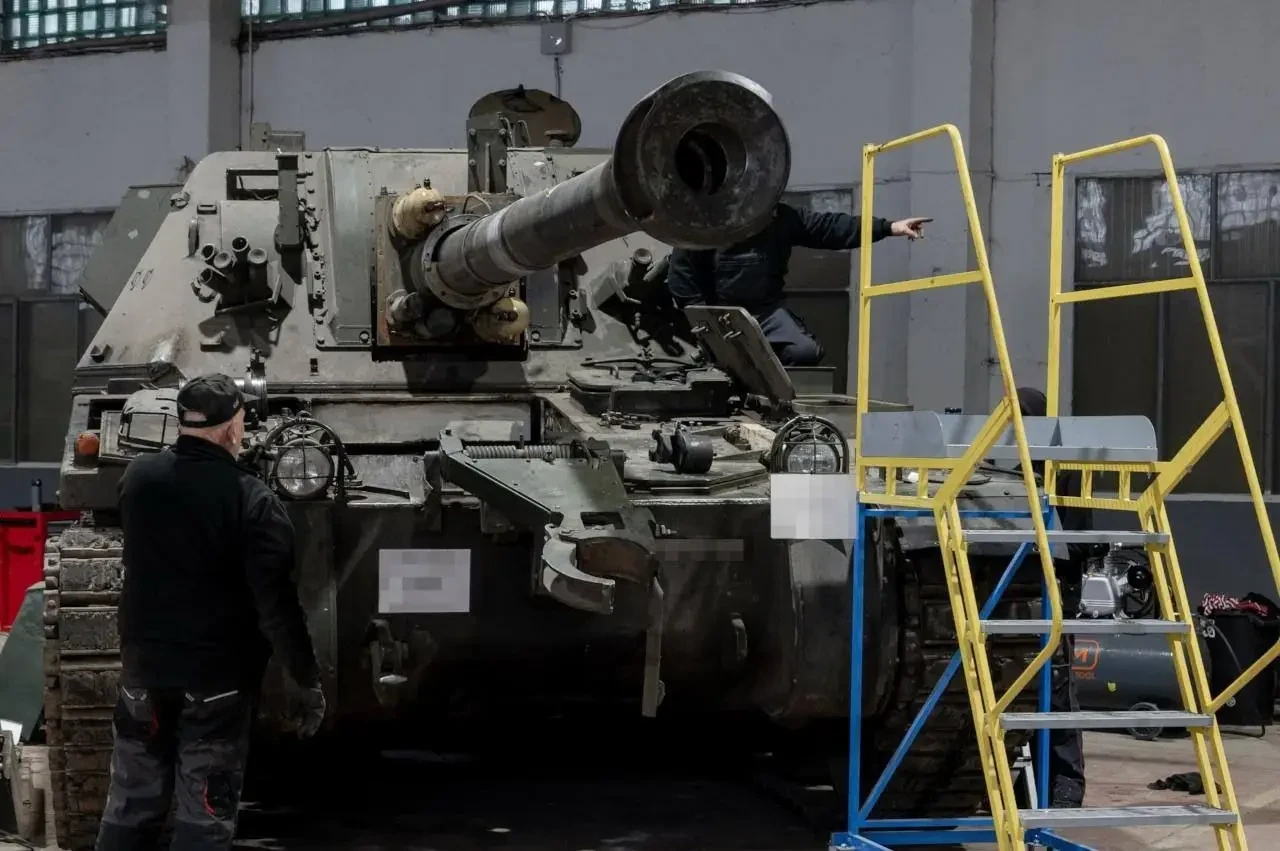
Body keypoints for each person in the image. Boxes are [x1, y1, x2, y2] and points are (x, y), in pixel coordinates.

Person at [96, 374, 326, 851]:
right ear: (233, 427)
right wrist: (305, 678)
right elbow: (276, 605)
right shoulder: (252, 499)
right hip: (215, 685)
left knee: (131, 806)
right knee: (204, 815)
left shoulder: (137, 478)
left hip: (144, 675)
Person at [665, 202, 931, 366]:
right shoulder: (705, 223)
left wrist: (888, 227)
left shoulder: (780, 218)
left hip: (765, 312)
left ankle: (770, 403)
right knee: (717, 359)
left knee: (804, 352)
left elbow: (828, 228)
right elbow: (681, 273)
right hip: (716, 314)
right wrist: (703, 320)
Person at [1016, 386, 1089, 809]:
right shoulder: (1014, 470)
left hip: (1057, 588)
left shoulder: (1065, 472)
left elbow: (1077, 541)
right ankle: (1028, 784)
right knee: (1020, 688)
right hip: (1022, 588)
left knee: (1057, 688)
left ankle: (1066, 783)